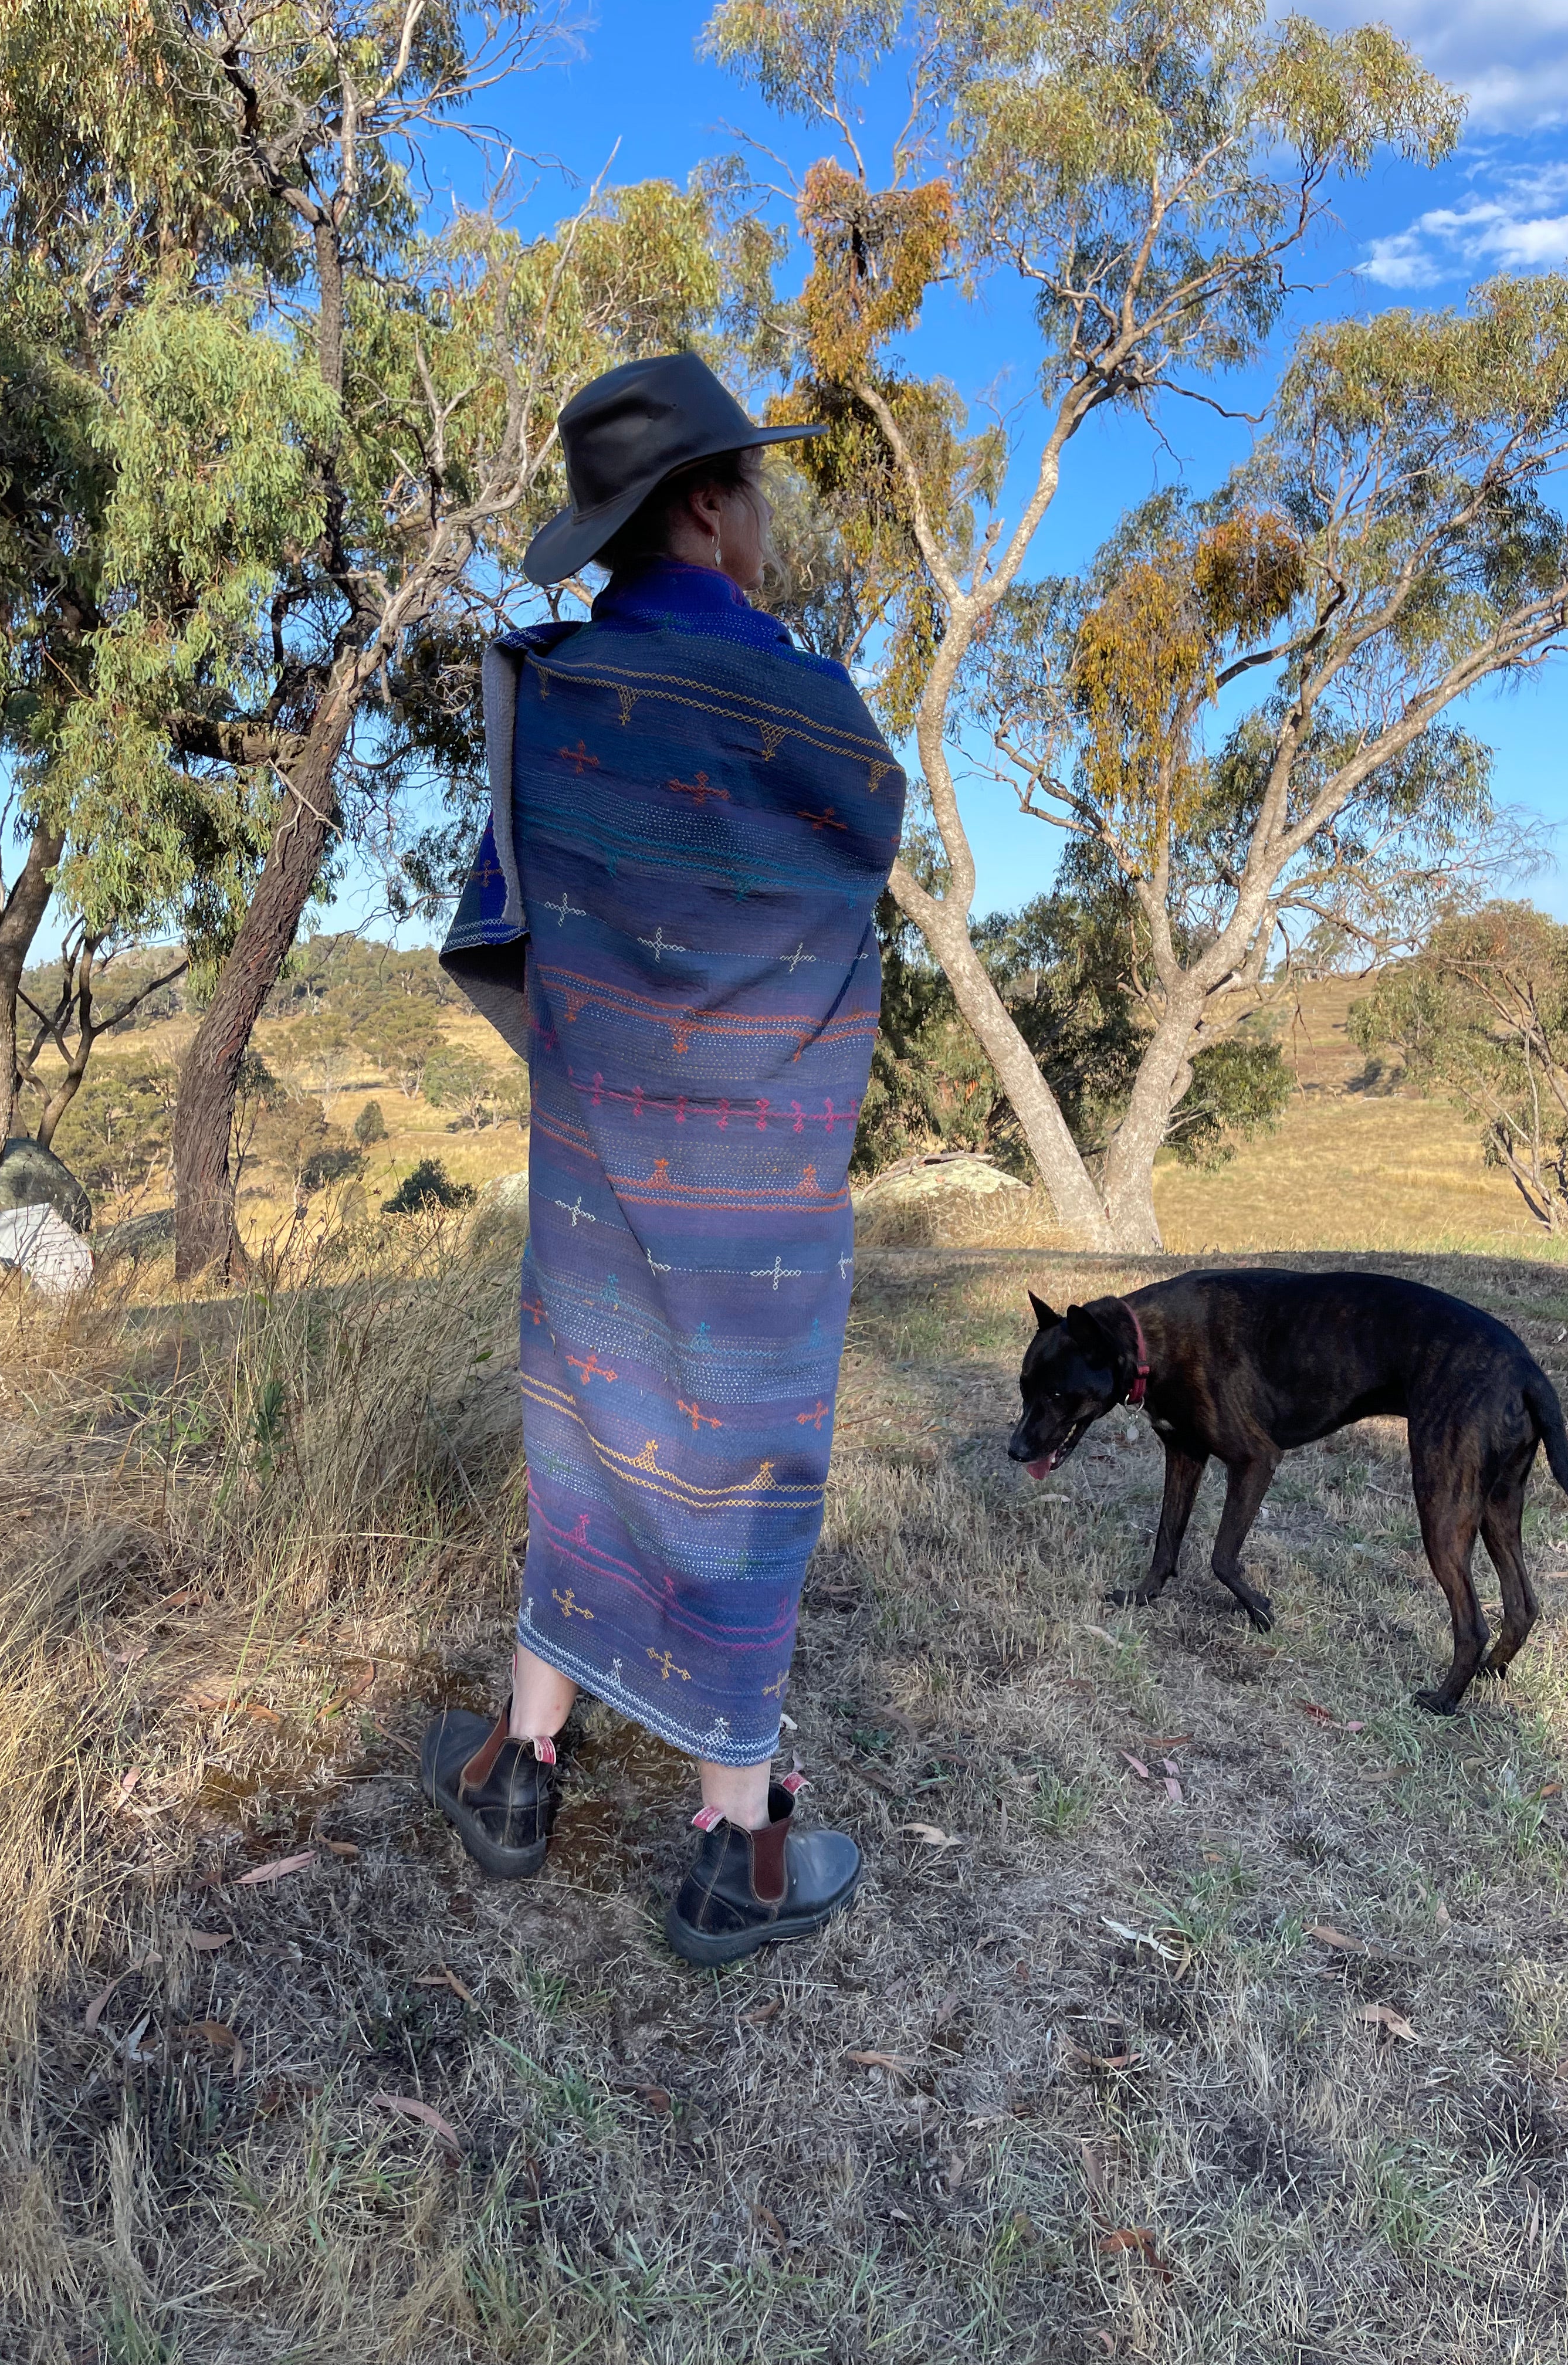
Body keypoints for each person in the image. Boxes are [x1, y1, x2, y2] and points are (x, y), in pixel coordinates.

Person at [425, 352, 904, 1964]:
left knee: (587, 1436)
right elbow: (846, 927)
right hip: (763, 1201)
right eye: (753, 491)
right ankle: (736, 1853)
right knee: (747, 1487)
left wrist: (603, 1064)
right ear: (707, 507)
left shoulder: (546, 700)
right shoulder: (833, 728)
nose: (763, 518)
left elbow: (497, 937)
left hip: (596, 1177)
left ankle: (515, 1774)